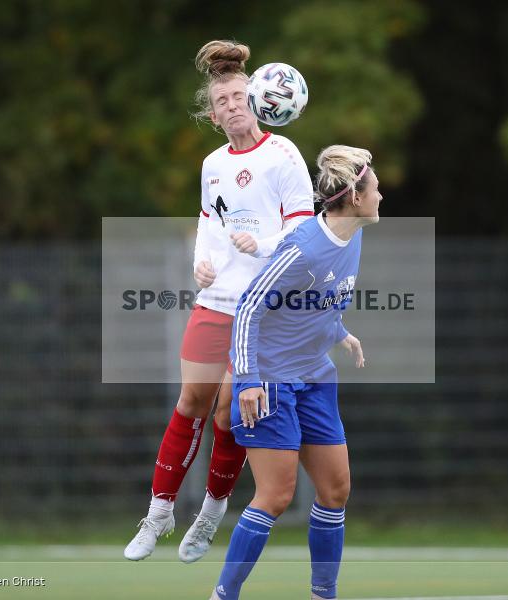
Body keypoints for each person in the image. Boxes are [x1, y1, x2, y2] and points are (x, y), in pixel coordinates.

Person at [124, 39, 315, 563]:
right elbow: (210, 223)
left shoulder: (284, 156)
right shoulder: (211, 164)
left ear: (255, 98)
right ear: (213, 115)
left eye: (239, 96)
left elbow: (304, 230)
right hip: (217, 300)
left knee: (230, 414)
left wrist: (266, 244)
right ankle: (158, 513)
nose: (232, 105)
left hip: (264, 308)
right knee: (191, 402)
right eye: (222, 101)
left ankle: (210, 513)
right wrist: (199, 265)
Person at [209, 145, 380, 600]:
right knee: (277, 495)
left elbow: (310, 300)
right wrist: (246, 380)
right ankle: (223, 596)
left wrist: (339, 330)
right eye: (375, 187)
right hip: (270, 380)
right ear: (356, 197)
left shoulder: (355, 233)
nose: (381, 195)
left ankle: (324, 595)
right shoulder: (304, 248)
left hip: (316, 378)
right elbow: (249, 307)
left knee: (336, 490)